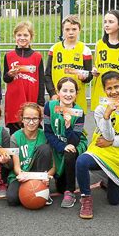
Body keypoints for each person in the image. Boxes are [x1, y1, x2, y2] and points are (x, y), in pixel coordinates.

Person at [76, 71, 119, 219]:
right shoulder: (99, 110)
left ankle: (107, 179)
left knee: (114, 201)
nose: (113, 92)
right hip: (101, 152)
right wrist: (106, 116)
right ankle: (86, 198)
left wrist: (112, 142)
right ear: (104, 90)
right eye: (109, 89)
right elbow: (108, 135)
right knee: (82, 161)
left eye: (116, 87)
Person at [44, 77, 88, 208]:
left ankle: (70, 191)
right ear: (58, 92)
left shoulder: (79, 112)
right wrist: (62, 146)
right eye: (64, 90)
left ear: (76, 94)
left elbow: (75, 140)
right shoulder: (49, 107)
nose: (68, 94)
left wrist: (68, 125)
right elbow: (48, 132)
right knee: (59, 188)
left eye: (72, 91)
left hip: (75, 142)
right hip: (59, 143)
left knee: (70, 153)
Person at [6, 103, 55, 207]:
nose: (31, 122)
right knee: (12, 200)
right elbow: (16, 166)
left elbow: (54, 166)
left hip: (39, 174)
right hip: (23, 174)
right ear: (22, 119)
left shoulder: (46, 136)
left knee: (45, 149)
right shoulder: (15, 137)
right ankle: (32, 191)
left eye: (35, 119)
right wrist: (21, 174)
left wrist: (47, 176)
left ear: (40, 120)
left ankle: (43, 189)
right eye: (27, 118)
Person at [3, 21, 45, 134]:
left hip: (31, 97)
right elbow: (5, 78)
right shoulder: (8, 56)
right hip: (14, 100)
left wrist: (41, 103)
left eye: (26, 35)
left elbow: (41, 81)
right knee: (15, 132)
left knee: (32, 130)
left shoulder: (37, 57)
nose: (22, 38)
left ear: (31, 37)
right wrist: (9, 75)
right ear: (14, 36)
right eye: (19, 35)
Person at [45, 15, 93, 113]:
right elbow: (47, 74)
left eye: (74, 29)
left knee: (76, 126)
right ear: (63, 30)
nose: (71, 32)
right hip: (58, 98)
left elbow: (89, 75)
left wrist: (85, 77)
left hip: (77, 98)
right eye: (67, 29)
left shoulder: (85, 50)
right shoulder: (54, 49)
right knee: (57, 125)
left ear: (79, 30)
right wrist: (52, 93)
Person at [91, 10, 119, 111]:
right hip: (101, 92)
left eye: (111, 22)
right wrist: (94, 71)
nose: (106, 25)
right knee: (102, 123)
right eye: (105, 22)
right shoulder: (99, 44)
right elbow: (96, 66)